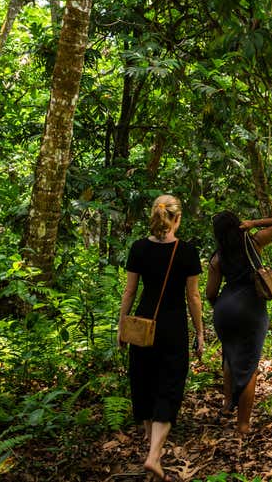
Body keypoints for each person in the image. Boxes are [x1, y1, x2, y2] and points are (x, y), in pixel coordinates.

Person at [117, 194, 203, 482]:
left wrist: (121, 326)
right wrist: (200, 332)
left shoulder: (139, 248)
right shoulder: (188, 251)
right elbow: (193, 296)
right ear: (177, 218)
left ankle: (149, 442)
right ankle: (154, 454)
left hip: (143, 325)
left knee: (144, 381)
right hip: (173, 327)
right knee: (169, 384)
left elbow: (129, 291)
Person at [205, 212, 272, 435]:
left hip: (225, 311)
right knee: (248, 366)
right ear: (238, 226)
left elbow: (210, 293)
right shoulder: (254, 242)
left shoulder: (217, 258)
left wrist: (223, 307)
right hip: (251, 309)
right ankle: (243, 425)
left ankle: (226, 406)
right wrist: (253, 223)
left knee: (231, 356)